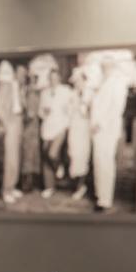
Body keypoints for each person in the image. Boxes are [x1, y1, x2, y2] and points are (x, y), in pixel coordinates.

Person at [90, 59, 129, 212]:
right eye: (102, 66)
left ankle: (105, 199)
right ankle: (100, 194)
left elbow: (116, 109)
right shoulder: (104, 82)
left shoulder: (117, 83)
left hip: (107, 130)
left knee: (105, 164)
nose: (103, 68)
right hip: (98, 130)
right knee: (99, 162)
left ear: (112, 66)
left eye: (105, 66)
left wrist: (100, 124)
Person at [38, 68, 73, 199]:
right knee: (46, 158)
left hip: (60, 127)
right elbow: (40, 111)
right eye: (51, 78)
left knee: (52, 153)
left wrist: (67, 110)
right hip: (47, 128)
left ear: (59, 78)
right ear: (49, 79)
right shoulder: (44, 93)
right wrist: (43, 113)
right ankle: (49, 187)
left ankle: (59, 166)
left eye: (55, 78)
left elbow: (72, 108)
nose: (53, 80)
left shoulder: (66, 91)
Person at [0, 60, 24, 204]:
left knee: (15, 157)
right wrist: (7, 123)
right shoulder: (4, 86)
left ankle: (12, 187)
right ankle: (6, 190)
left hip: (17, 121)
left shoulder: (14, 85)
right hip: (11, 124)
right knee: (10, 158)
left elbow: (17, 104)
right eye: (18, 71)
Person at [67, 68, 93, 201]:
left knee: (82, 157)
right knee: (73, 155)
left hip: (84, 129)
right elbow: (69, 111)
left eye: (79, 80)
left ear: (84, 80)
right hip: (74, 128)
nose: (77, 83)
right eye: (75, 81)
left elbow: (91, 113)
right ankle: (77, 185)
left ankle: (80, 187)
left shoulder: (90, 94)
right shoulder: (72, 94)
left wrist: (85, 107)